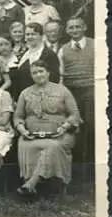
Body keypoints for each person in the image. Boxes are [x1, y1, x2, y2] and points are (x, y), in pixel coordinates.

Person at [14, 60, 81, 196]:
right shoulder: (25, 93)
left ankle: (31, 184)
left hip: (60, 134)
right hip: (32, 135)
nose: (38, 75)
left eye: (41, 71)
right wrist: (22, 130)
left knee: (53, 146)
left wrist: (64, 127)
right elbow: (18, 117)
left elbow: (75, 115)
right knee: (25, 144)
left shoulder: (62, 90)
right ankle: (34, 185)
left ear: (48, 72)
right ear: (31, 76)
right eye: (34, 73)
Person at [58, 17, 94, 166]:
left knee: (91, 123)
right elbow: (61, 75)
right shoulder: (63, 49)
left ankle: (91, 160)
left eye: (77, 27)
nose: (74, 30)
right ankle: (77, 161)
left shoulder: (95, 44)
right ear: (66, 31)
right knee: (73, 125)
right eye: (71, 28)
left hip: (91, 89)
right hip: (71, 91)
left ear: (84, 27)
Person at [17, 22, 60, 93]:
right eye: (27, 34)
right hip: (24, 95)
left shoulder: (49, 54)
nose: (30, 37)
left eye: (33, 34)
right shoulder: (25, 54)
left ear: (41, 36)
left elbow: (54, 79)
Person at [0, 33, 21, 101]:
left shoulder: (19, 60)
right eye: (1, 45)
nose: (3, 47)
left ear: (12, 45)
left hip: (16, 96)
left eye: (6, 44)